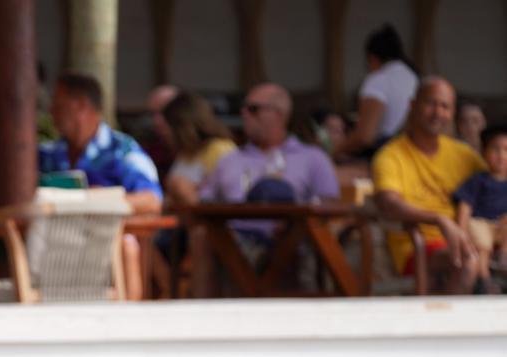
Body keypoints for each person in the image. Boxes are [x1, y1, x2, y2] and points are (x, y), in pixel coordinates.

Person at [373, 77, 485, 293]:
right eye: (430, 103)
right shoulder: (390, 155)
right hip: (416, 247)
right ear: (413, 105)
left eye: (445, 107)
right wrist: (439, 220)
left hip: (467, 241)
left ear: (452, 113)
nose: (438, 113)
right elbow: (388, 203)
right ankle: (449, 328)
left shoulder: (464, 155)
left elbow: (497, 182)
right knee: (467, 259)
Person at [200, 83, 340, 231]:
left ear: (279, 114)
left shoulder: (314, 158)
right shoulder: (229, 159)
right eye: (243, 108)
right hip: (233, 244)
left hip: (294, 245)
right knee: (200, 234)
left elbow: (328, 208)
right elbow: (204, 202)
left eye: (253, 109)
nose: (244, 114)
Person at [40, 72, 163, 213]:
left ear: (81, 105)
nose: (51, 111)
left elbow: (152, 201)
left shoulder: (122, 151)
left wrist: (99, 200)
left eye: (58, 104)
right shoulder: (46, 153)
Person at [332, 24, 418, 161]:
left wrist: (334, 150)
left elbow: (364, 137)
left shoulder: (378, 80)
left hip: (385, 156)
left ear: (372, 58)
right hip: (413, 154)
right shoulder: (413, 76)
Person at [161, 91, 236, 207]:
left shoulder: (219, 148)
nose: (165, 132)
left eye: (169, 126)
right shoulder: (185, 153)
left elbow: (227, 194)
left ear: (183, 127)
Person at [455, 125, 507, 278]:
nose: (501, 155)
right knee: (482, 242)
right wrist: (462, 234)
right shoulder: (477, 180)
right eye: (495, 149)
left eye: (506, 149)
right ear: (484, 153)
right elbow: (465, 206)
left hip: (501, 229)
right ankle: (484, 278)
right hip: (481, 224)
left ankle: (503, 257)